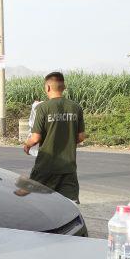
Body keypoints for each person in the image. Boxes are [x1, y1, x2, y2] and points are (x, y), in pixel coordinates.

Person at [23, 72, 86, 203]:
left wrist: (27, 145)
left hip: (46, 166)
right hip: (68, 167)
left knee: (37, 203)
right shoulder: (76, 107)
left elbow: (35, 138)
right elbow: (81, 137)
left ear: (47, 87)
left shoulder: (43, 107)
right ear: (64, 87)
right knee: (70, 204)